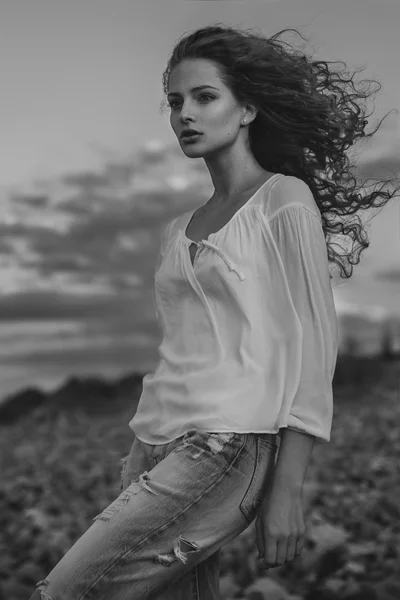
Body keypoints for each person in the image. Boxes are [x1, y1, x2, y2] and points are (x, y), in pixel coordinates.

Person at [30, 24, 399, 600]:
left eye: (205, 97)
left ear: (247, 107)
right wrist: (140, 449)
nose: (185, 115)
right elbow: (179, 347)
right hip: (156, 445)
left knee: (63, 592)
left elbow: (314, 342)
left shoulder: (284, 200)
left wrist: (288, 488)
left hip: (230, 445)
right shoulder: (177, 230)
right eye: (176, 102)